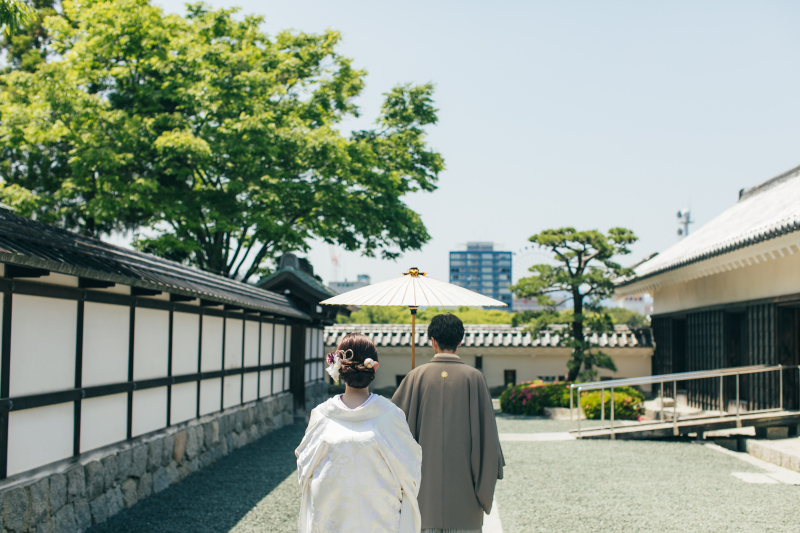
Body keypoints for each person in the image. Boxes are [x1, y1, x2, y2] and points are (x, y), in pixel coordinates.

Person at [296, 333, 423, 533]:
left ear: (338, 367)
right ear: (375, 368)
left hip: (331, 520)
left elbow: (305, 471)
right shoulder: (390, 415)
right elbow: (410, 472)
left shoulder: (322, 416)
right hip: (381, 522)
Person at [392, 313, 504, 533]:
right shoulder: (475, 378)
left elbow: (392, 432)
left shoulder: (416, 376)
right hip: (465, 500)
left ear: (433, 341)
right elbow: (488, 440)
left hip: (422, 500)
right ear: (460, 341)